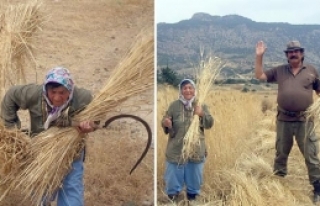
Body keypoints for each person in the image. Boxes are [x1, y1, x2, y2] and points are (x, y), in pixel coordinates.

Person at [0, 66, 96, 206]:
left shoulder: (83, 98)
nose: (57, 98)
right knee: (40, 194)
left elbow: (97, 119)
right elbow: (11, 96)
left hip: (71, 153)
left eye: (62, 93)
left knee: (71, 193)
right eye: (53, 92)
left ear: (70, 90)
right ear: (46, 89)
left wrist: (90, 125)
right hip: (40, 154)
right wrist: (11, 130)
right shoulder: (34, 94)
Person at [255, 40, 320, 203]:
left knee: (311, 155)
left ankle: (317, 188)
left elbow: (319, 90)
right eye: (290, 52)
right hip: (283, 120)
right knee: (281, 153)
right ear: (286, 55)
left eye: (296, 51)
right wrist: (259, 57)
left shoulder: (311, 71)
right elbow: (259, 76)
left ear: (302, 53)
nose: (293, 54)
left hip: (305, 121)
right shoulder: (280, 71)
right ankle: (278, 183)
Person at [161, 79, 213, 205]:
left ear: (194, 90)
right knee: (173, 176)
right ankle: (173, 198)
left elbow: (209, 123)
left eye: (190, 87)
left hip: (196, 148)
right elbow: (165, 120)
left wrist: (201, 114)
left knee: (194, 175)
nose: (187, 90)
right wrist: (166, 124)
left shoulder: (201, 105)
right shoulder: (174, 105)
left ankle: (192, 198)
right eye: (184, 88)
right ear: (181, 91)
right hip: (176, 148)